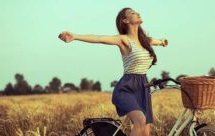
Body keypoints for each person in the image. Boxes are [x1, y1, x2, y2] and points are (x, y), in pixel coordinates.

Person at [58, 7, 168, 136]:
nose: (137, 13)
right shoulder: (124, 39)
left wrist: (162, 42)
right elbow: (99, 38)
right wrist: (75, 36)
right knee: (140, 121)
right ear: (125, 20)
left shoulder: (145, 41)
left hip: (143, 87)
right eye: (132, 13)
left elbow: (155, 41)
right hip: (127, 87)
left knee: (145, 130)